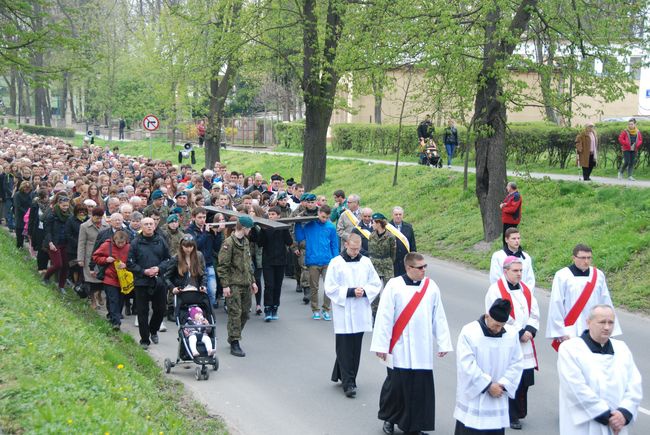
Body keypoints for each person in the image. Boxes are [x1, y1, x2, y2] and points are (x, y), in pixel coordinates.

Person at [370, 252, 453, 435]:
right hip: (399, 347)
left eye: (425, 267)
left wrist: (443, 342)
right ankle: (390, 420)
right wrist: (381, 346)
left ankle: (414, 425)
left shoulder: (431, 287)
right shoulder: (394, 286)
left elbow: (438, 316)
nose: (424, 271)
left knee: (419, 388)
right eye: (420, 267)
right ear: (408, 268)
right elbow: (384, 317)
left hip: (422, 347)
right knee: (396, 387)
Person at [557, 305, 642, 435]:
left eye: (611, 322)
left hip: (618, 425)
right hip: (584, 426)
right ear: (588, 322)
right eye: (602, 322)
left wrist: (624, 413)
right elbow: (575, 388)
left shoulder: (622, 349)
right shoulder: (570, 349)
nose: (607, 327)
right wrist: (607, 416)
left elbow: (634, 385)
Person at [454, 299, 525, 435]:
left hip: (498, 397)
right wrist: (487, 386)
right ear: (487, 316)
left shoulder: (511, 335)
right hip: (474, 400)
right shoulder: (469, 332)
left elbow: (517, 363)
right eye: (496, 325)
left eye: (501, 326)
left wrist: (503, 384)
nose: (498, 329)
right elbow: (466, 365)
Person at [484, 256, 539, 430]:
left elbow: (534, 311)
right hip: (508, 340)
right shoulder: (495, 290)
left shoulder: (526, 290)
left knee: (524, 380)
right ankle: (510, 415)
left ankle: (519, 412)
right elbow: (497, 315)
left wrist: (530, 329)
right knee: (511, 377)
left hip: (526, 342)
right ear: (505, 271)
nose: (519, 274)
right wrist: (520, 331)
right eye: (515, 271)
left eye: (521, 270)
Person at [324, 234, 382, 398]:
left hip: (360, 310)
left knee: (355, 347)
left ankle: (343, 373)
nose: (356, 252)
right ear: (346, 244)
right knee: (344, 346)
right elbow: (330, 287)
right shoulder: (336, 263)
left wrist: (364, 291)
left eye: (358, 249)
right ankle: (349, 383)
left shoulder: (366, 262)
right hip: (344, 310)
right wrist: (349, 292)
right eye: (353, 248)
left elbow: (376, 283)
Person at [546, 244, 621, 350]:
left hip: (595, 328)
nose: (586, 261)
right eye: (582, 258)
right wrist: (560, 331)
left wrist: (610, 328)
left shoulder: (598, 275)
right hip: (571, 329)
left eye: (589, 258)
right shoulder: (562, 275)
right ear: (574, 258)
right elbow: (556, 303)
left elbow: (606, 302)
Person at [127, 217, 171, 349]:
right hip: (142, 282)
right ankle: (144, 339)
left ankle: (153, 330)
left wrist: (159, 268)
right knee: (142, 311)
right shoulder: (135, 243)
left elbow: (168, 259)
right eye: (146, 224)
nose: (149, 226)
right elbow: (129, 263)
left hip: (158, 280)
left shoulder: (161, 241)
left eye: (151, 224)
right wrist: (143, 271)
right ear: (141, 226)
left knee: (160, 309)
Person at [217, 216, 258, 357]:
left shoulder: (246, 242)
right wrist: (225, 285)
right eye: (250, 228)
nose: (251, 230)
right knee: (235, 313)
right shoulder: (228, 243)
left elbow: (248, 264)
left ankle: (234, 335)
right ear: (244, 228)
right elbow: (222, 266)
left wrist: (253, 281)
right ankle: (235, 341)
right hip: (233, 284)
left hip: (245, 282)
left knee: (246, 313)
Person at [294, 204, 339, 320]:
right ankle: (315, 310)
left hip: (327, 261)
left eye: (327, 217)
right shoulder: (310, 226)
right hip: (313, 261)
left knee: (328, 287)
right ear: (318, 213)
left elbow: (334, 245)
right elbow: (299, 237)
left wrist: (336, 260)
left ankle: (326, 309)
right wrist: (298, 224)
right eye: (323, 216)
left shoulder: (331, 227)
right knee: (314, 287)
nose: (324, 219)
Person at [257, 206, 295, 321]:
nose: (271, 216)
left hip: (281, 261)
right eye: (270, 214)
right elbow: (260, 243)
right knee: (269, 285)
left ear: (279, 216)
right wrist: (263, 230)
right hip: (268, 260)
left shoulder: (282, 228)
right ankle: (267, 308)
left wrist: (284, 229)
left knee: (277, 286)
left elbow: (289, 242)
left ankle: (275, 307)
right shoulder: (265, 228)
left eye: (273, 214)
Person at [92, 230, 130, 331]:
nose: (121, 245)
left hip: (123, 279)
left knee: (120, 300)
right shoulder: (106, 245)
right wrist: (105, 260)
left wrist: (126, 265)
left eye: (123, 243)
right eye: (119, 243)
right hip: (110, 278)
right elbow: (95, 256)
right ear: (114, 240)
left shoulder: (129, 247)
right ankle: (116, 322)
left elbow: (134, 260)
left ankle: (112, 316)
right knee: (113, 299)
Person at [186, 207, 222, 309]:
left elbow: (217, 247)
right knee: (197, 290)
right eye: (200, 217)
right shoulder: (189, 231)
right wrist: (205, 233)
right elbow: (195, 245)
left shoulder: (209, 229)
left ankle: (208, 310)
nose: (202, 220)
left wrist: (218, 233)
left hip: (209, 263)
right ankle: (198, 311)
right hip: (196, 264)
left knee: (212, 290)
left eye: (204, 217)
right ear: (194, 218)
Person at [78, 206, 109, 309]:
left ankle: (99, 293)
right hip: (89, 256)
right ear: (92, 216)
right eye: (97, 218)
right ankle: (93, 300)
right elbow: (81, 243)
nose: (99, 220)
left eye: (100, 218)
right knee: (90, 279)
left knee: (101, 278)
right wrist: (80, 259)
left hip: (102, 255)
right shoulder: (84, 226)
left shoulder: (106, 226)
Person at [368, 212, 396, 319]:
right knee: (375, 290)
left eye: (373, 222)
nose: (372, 224)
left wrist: (388, 261)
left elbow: (393, 253)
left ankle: (388, 313)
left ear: (379, 223)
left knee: (389, 290)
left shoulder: (390, 236)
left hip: (387, 264)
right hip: (375, 264)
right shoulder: (372, 236)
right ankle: (374, 313)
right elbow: (371, 251)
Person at [43, 195, 73, 294]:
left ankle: (61, 286)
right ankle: (46, 278)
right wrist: (50, 243)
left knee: (65, 265)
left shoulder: (69, 215)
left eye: (67, 205)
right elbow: (47, 231)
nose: (65, 207)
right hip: (54, 242)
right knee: (57, 264)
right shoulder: (52, 215)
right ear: (59, 204)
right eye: (63, 205)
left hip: (65, 242)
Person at [388, 206, 416, 277]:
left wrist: (413, 260)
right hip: (392, 262)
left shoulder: (408, 227)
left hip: (405, 261)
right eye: (396, 214)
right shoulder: (387, 227)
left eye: (400, 214)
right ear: (392, 215)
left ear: (403, 215)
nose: (398, 216)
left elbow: (412, 245)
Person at [499, 182, 521, 246]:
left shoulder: (516, 196)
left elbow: (513, 209)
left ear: (511, 188)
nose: (506, 188)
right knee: (506, 238)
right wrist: (504, 204)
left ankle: (513, 251)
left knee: (510, 238)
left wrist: (503, 208)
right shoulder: (510, 195)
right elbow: (505, 202)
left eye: (507, 187)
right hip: (507, 220)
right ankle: (507, 251)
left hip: (512, 220)